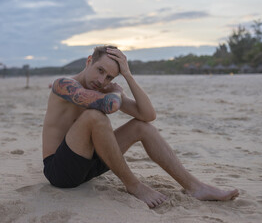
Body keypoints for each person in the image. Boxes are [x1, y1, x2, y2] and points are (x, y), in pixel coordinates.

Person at [42, 45, 239, 208]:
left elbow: (148, 115)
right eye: (100, 70)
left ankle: (195, 187)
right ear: (88, 62)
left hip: (89, 167)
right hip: (60, 172)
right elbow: (109, 105)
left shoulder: (104, 89)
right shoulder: (63, 85)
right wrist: (117, 93)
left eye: (110, 77)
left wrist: (127, 75)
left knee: (141, 127)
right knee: (94, 116)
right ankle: (134, 186)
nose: (102, 80)